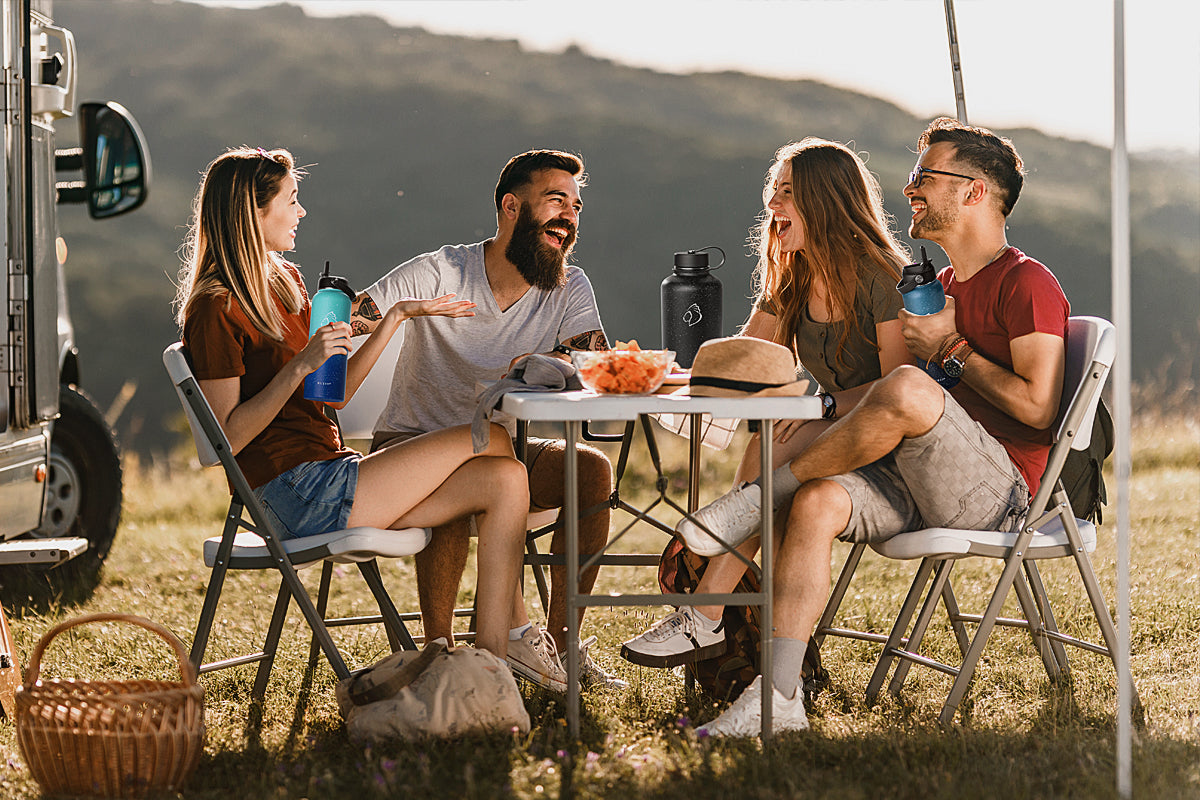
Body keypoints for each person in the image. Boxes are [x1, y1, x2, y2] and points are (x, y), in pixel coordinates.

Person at [681, 119, 1070, 737]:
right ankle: (779, 699)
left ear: (973, 191)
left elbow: (1039, 410)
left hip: (1000, 494)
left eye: (926, 176)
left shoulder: (1027, 282)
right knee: (816, 503)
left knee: (907, 385)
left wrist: (951, 348)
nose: (910, 188)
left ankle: (754, 504)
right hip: (915, 479)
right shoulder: (932, 289)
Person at [174, 146, 539, 662]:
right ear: (253, 213)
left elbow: (335, 394)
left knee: (505, 478)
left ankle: (491, 661)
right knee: (494, 439)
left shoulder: (285, 283)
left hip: (332, 474)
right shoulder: (215, 308)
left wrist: (396, 318)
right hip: (294, 494)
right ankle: (504, 647)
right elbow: (226, 439)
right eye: (291, 200)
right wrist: (299, 365)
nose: (301, 212)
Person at [621, 139, 911, 671]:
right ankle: (713, 618)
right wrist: (668, 374)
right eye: (772, 193)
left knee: (767, 466)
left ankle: (706, 615)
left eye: (786, 194)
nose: (772, 207)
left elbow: (898, 386)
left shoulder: (882, 275)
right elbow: (749, 361)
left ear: (824, 199)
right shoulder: (797, 271)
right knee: (766, 452)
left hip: (888, 440)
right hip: (826, 427)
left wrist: (819, 405)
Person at [349, 149, 623, 692]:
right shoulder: (443, 271)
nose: (569, 217)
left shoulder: (569, 286)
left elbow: (594, 364)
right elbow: (353, 318)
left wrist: (555, 364)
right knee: (464, 482)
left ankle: (559, 649)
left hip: (504, 451)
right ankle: (442, 657)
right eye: (555, 201)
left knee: (589, 472)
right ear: (511, 208)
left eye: (576, 206)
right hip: (411, 445)